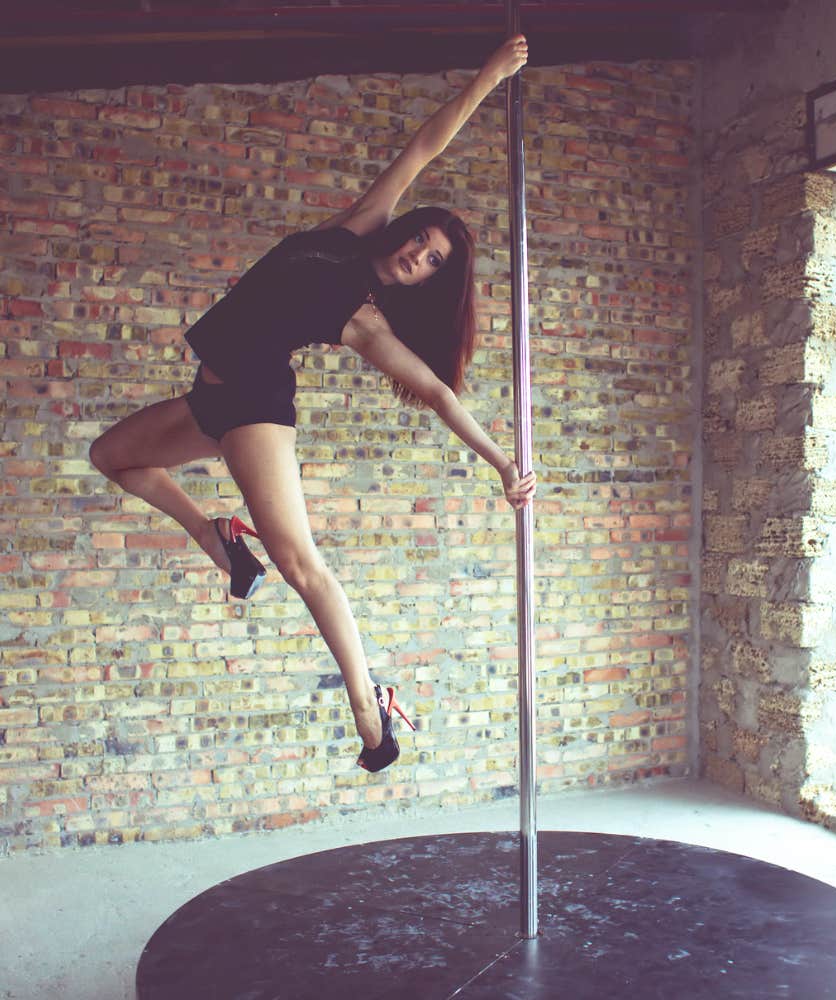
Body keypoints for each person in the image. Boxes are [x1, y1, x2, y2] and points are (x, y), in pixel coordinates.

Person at [89, 34, 537, 773]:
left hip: (255, 406)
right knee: (114, 456)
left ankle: (371, 707)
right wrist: (490, 73)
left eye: (430, 262)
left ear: (427, 282)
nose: (416, 255)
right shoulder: (355, 228)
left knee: (302, 565)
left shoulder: (364, 321)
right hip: (210, 401)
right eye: (420, 240)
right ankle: (219, 537)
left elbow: (434, 391)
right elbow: (426, 145)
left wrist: (501, 463)